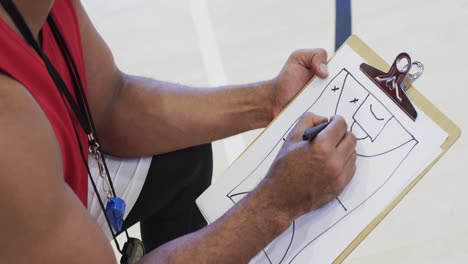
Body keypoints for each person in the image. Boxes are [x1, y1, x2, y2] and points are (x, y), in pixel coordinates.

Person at [0, 0, 357, 263]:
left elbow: (112, 101)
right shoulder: (8, 129)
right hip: (27, 212)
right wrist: (277, 204)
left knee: (182, 154)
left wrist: (268, 102)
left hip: (43, 194)